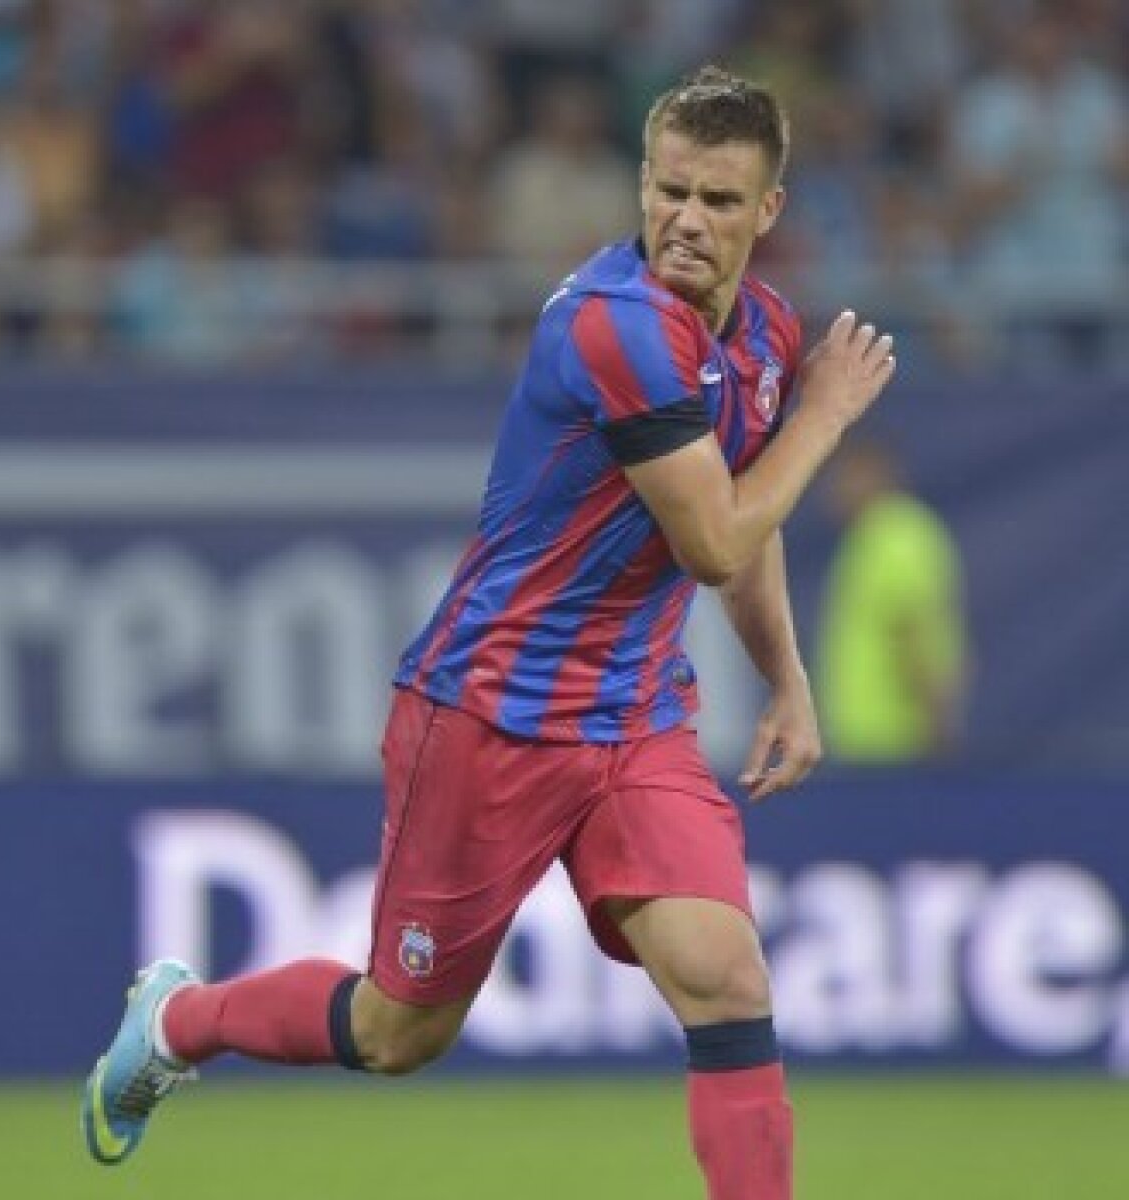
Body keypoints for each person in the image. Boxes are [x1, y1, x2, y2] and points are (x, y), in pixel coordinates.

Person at [82, 65, 896, 1200]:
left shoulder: (763, 333)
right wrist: (826, 414)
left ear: (769, 210)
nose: (686, 220)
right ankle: (179, 1020)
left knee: (727, 980)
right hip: (491, 717)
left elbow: (742, 521)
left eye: (719, 200)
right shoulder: (620, 327)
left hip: (635, 719)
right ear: (642, 182)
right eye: (669, 190)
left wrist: (787, 680)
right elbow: (715, 540)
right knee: (398, 1031)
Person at [816, 436, 966, 762]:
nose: (833, 490)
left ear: (872, 473)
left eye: (843, 476)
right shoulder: (867, 538)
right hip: (864, 744)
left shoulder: (897, 538)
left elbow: (914, 634)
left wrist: (937, 725)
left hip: (895, 746)